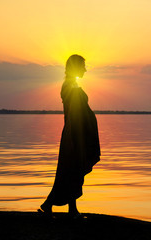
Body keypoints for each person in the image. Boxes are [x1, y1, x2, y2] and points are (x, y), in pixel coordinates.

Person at [39, 54, 101, 217]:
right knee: (71, 170)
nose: (86, 70)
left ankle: (62, 207)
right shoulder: (69, 86)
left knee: (73, 171)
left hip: (77, 133)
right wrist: (75, 138)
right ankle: (61, 207)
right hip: (74, 134)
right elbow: (73, 113)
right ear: (76, 67)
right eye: (83, 67)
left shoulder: (72, 84)